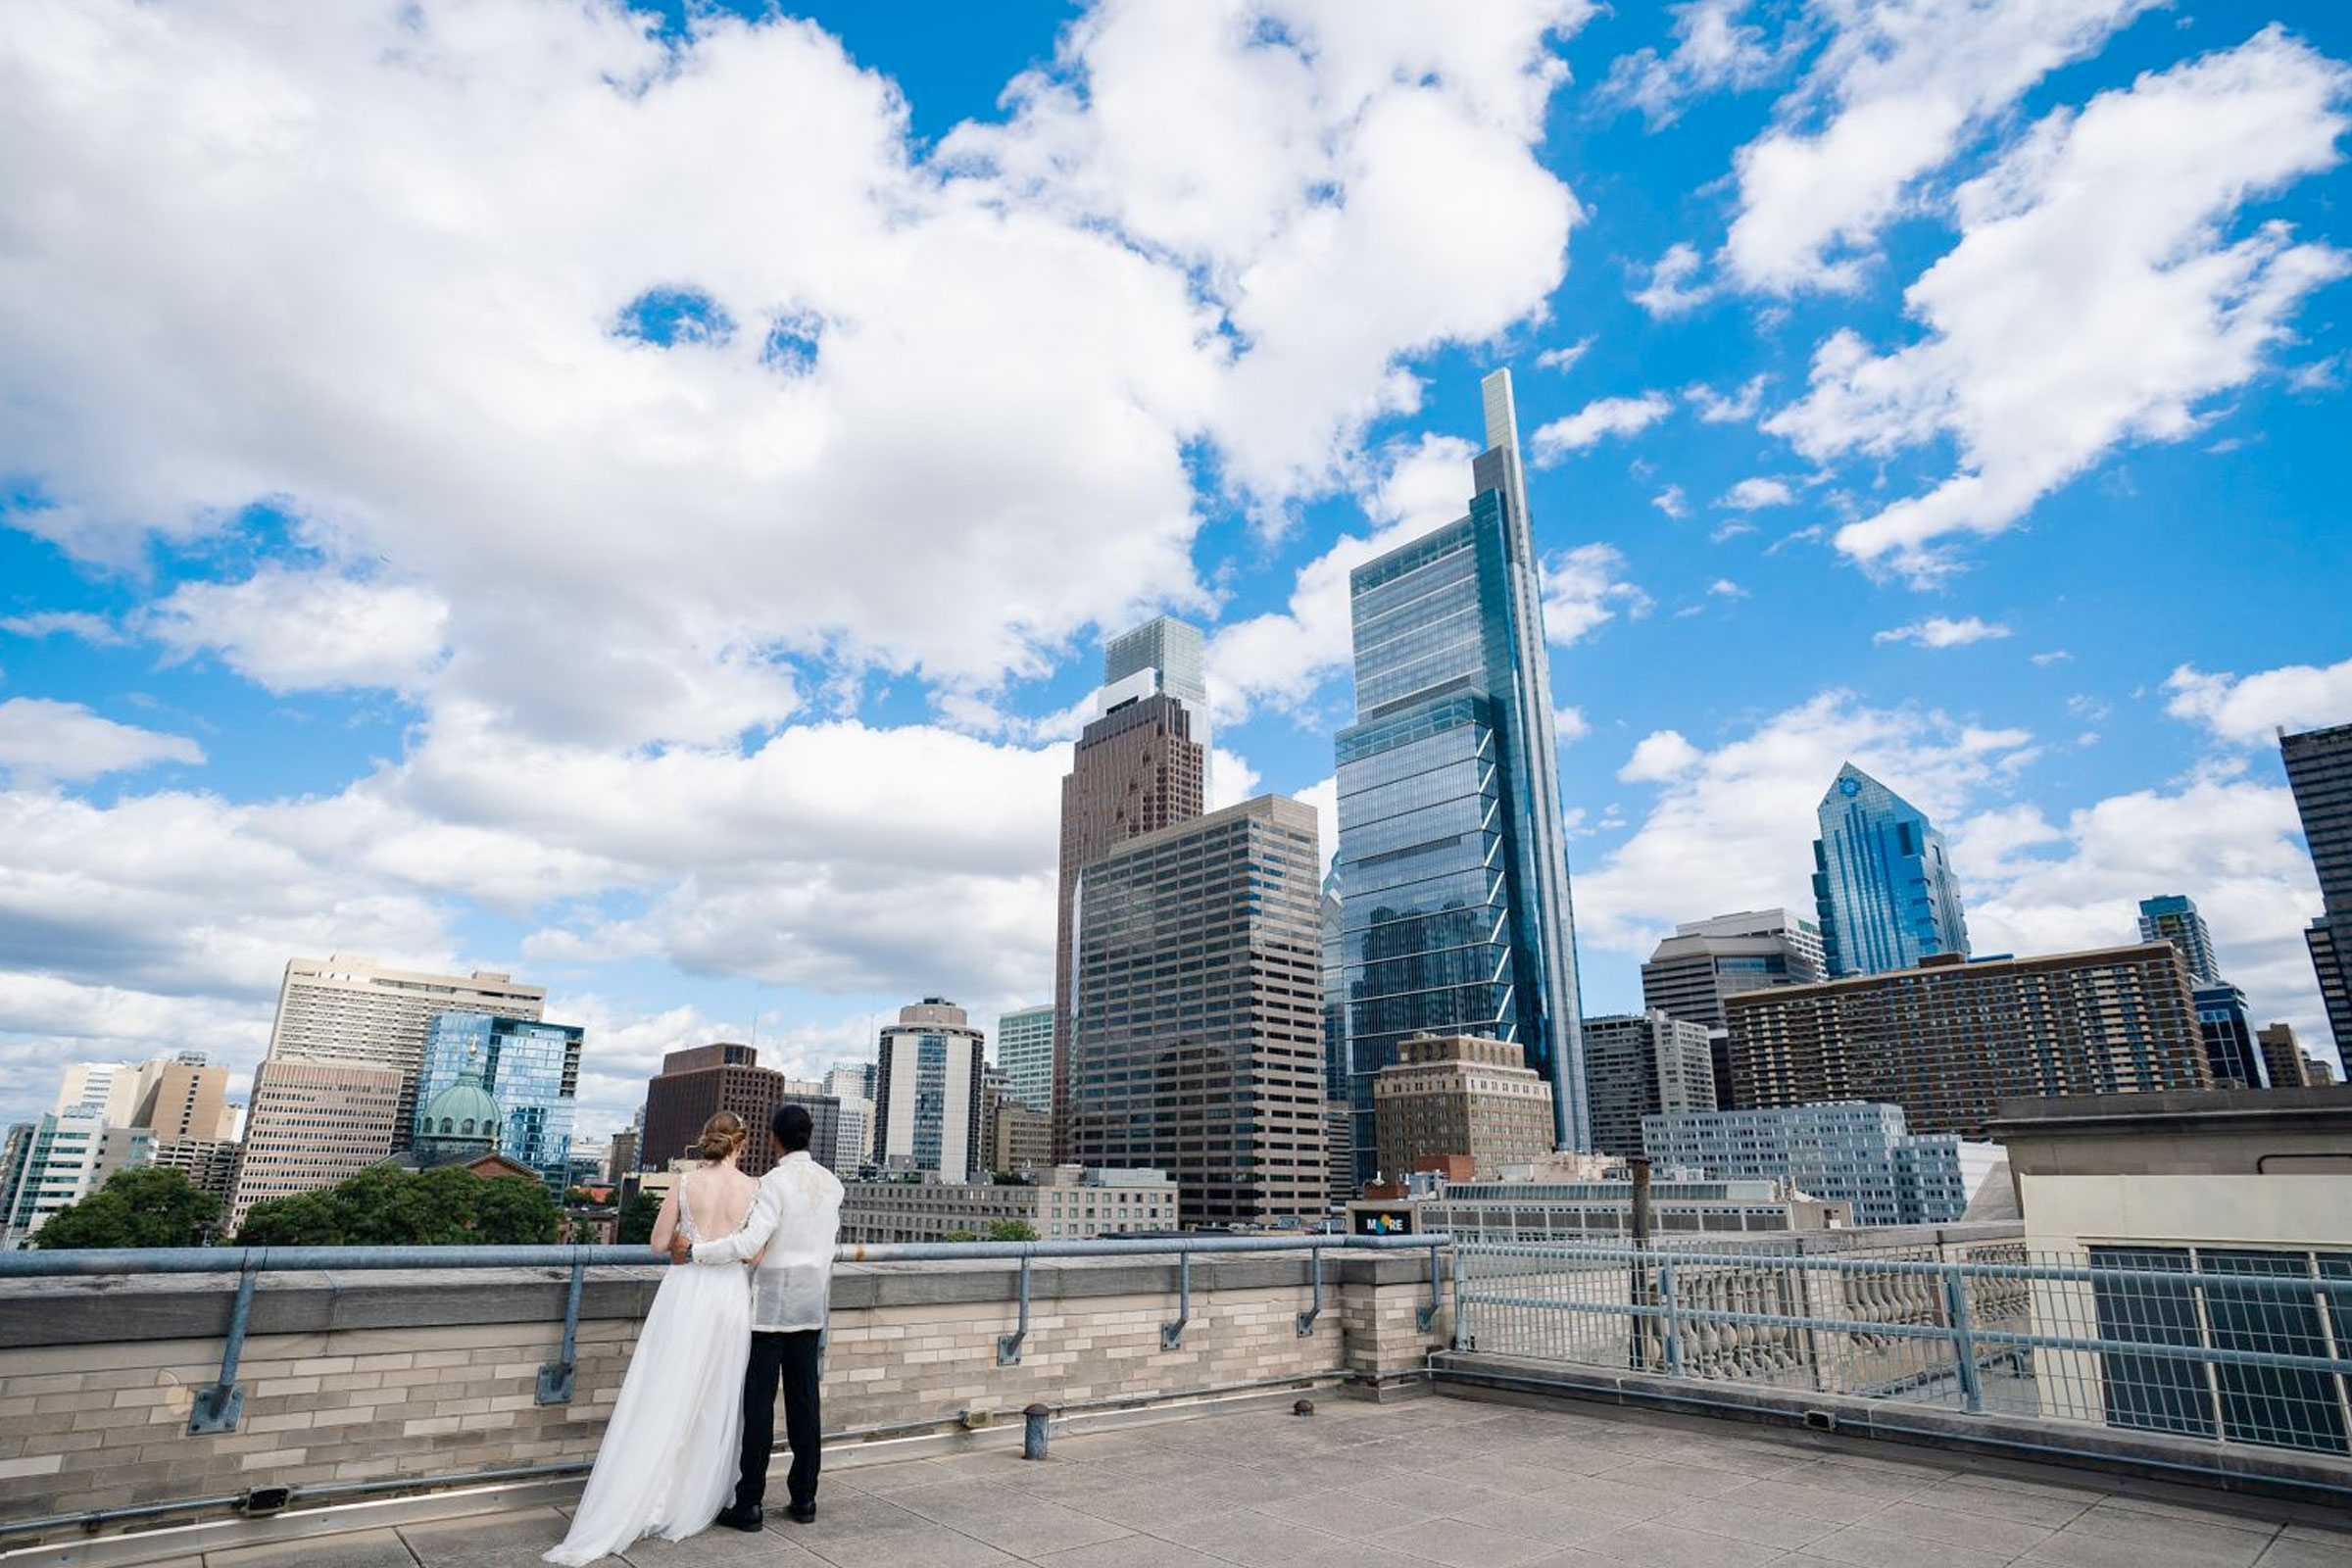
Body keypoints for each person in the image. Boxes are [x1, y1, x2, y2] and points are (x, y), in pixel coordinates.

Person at [545, 1112, 758, 1566]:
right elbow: (754, 1254)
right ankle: (691, 1497)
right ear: (742, 1144)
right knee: (714, 1398)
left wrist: (688, 1238)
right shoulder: (753, 1188)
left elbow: (659, 1244)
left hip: (686, 1290)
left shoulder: (685, 1183)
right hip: (730, 1297)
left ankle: (642, 1495)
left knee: (663, 1390)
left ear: (708, 1140)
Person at [675, 1102, 843, 1528]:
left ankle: (749, 1501)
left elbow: (749, 1244)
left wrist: (697, 1252)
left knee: (759, 1406)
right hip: (811, 1305)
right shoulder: (833, 1184)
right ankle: (804, 1498)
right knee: (806, 1406)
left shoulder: (771, 1184)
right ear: (811, 1134)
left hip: (769, 1309)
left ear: (774, 1138)